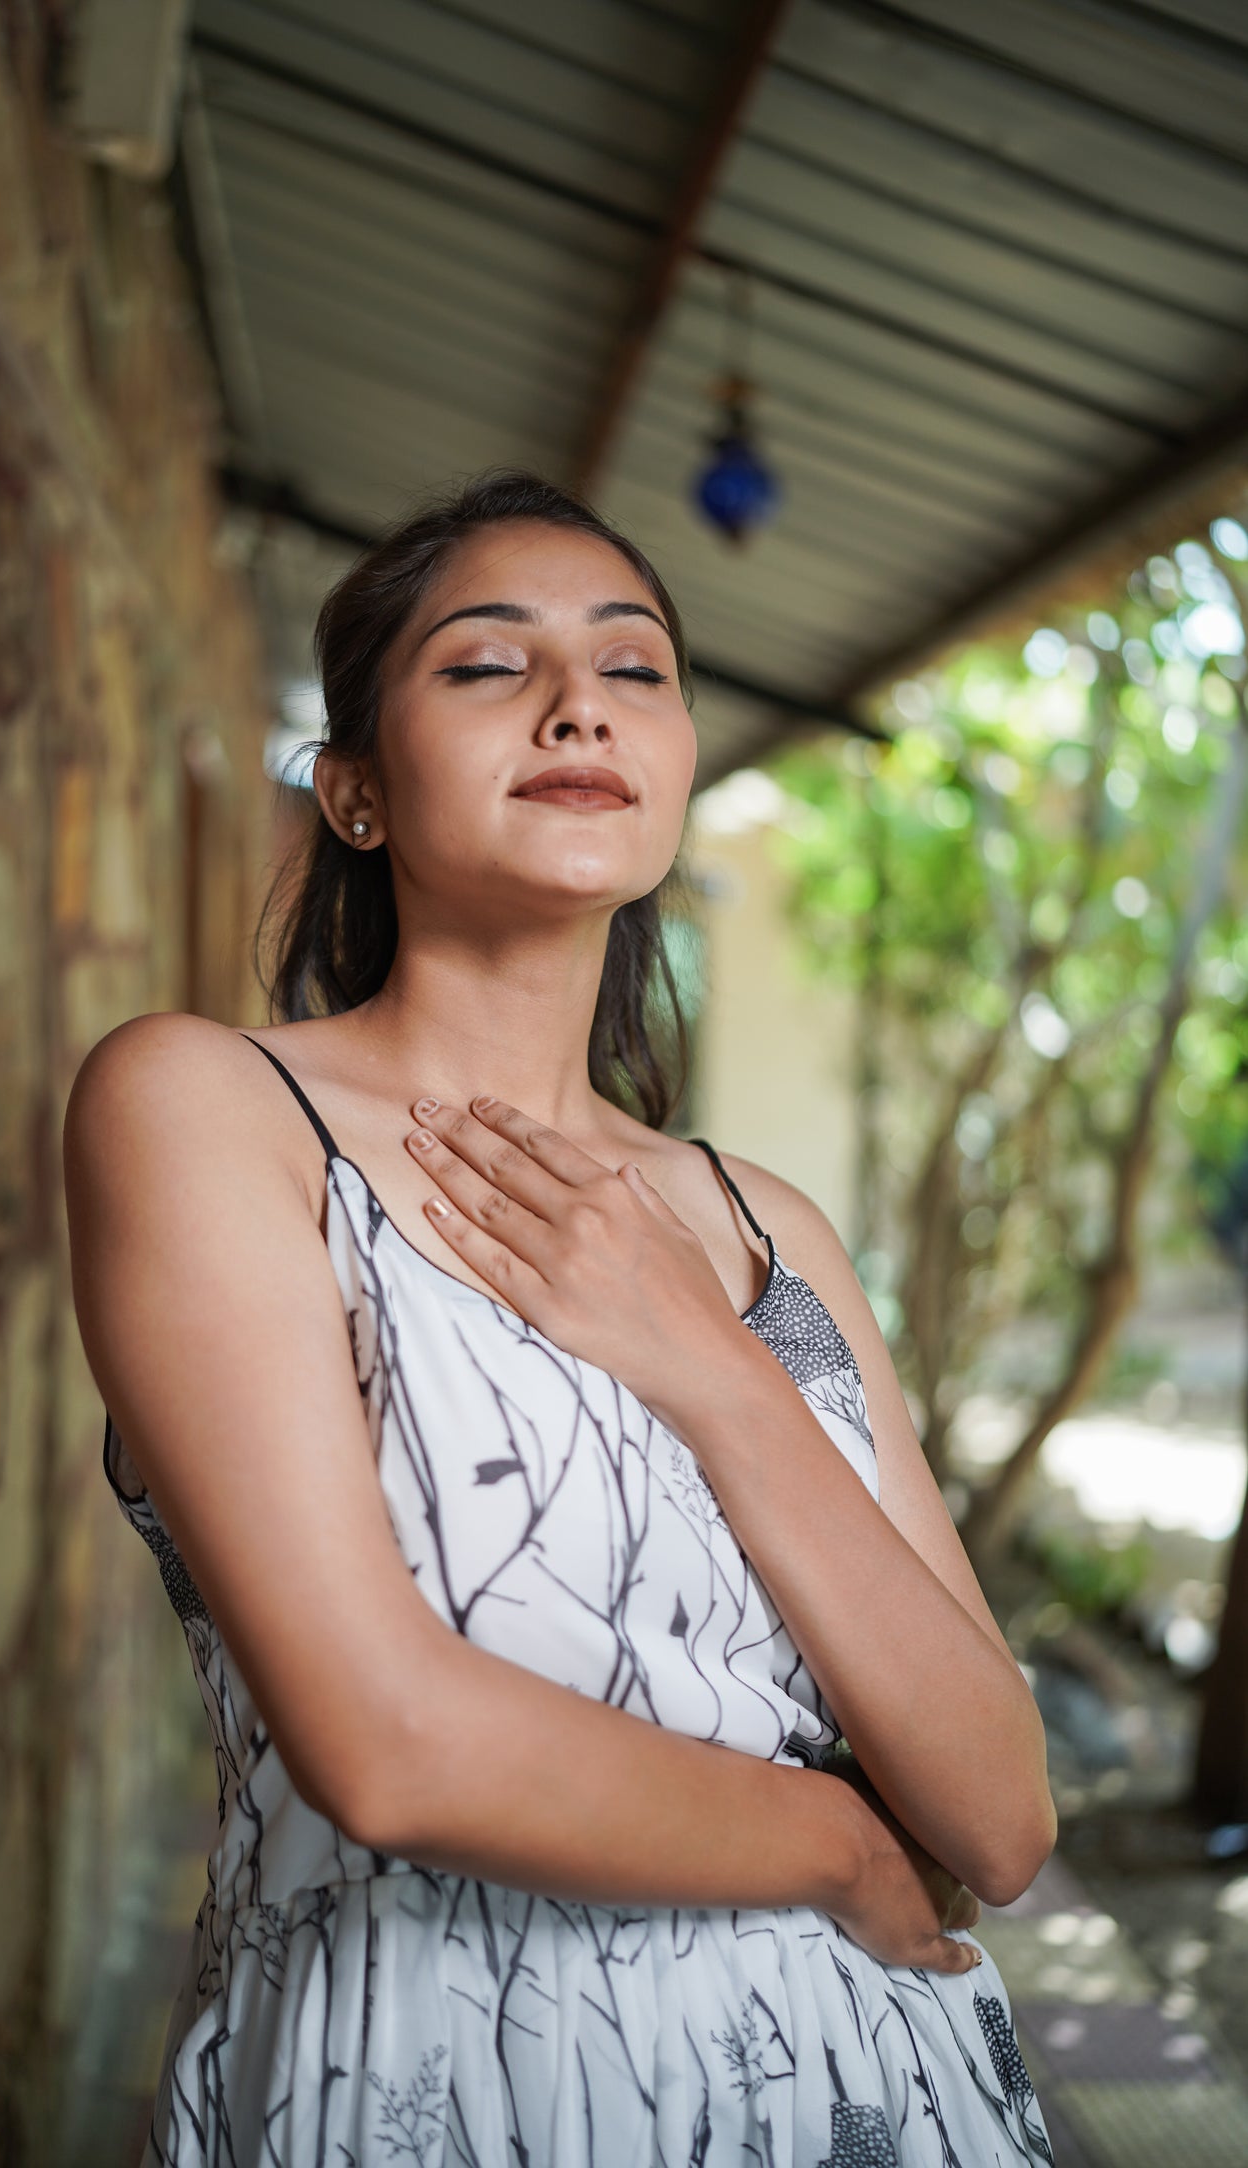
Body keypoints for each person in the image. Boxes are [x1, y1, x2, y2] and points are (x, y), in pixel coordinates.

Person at [64, 471, 1057, 2167]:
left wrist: (707, 1366)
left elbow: (1000, 1810)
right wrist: (826, 1843)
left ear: (673, 763)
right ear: (357, 793)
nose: (577, 701)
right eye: (482, 665)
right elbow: (388, 1747)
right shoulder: (208, 1111)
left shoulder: (759, 1227)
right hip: (431, 2074)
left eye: (633, 666)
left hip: (874, 2086)